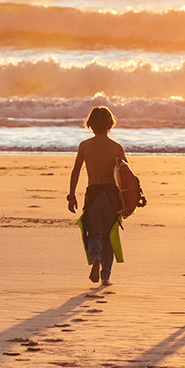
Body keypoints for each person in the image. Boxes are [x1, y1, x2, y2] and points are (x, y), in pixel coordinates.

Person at [68, 105, 127, 286]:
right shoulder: (116, 147)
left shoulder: (85, 146)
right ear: (110, 123)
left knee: (94, 233)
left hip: (93, 194)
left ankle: (95, 258)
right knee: (109, 236)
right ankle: (106, 277)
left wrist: (72, 195)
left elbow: (76, 170)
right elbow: (126, 176)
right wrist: (127, 203)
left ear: (90, 124)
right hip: (111, 196)